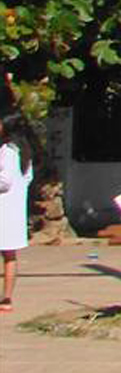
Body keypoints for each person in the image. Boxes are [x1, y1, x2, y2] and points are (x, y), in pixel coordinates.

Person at [0, 114, 31, 313]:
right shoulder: (25, 152)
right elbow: (27, 179)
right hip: (15, 210)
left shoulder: (8, 151)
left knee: (8, 254)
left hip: (3, 208)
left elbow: (4, 181)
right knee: (10, 256)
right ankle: (7, 298)